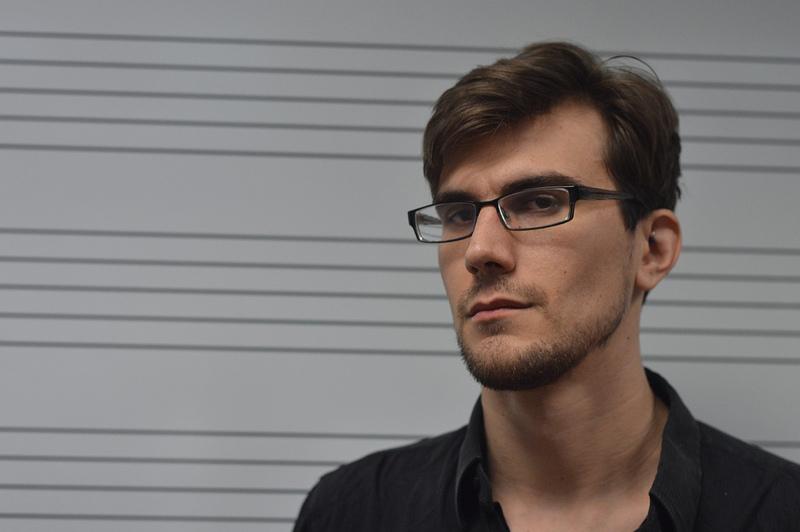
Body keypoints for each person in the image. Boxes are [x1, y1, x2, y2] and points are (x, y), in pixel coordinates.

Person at [293, 41, 800, 531]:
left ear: (651, 250)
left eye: (540, 202)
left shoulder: (780, 512)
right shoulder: (354, 512)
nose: (479, 250)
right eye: (458, 214)